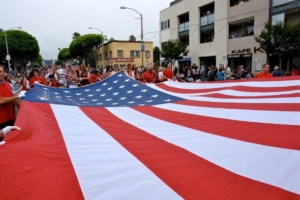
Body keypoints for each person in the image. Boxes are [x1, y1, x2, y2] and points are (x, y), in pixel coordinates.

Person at [0, 65, 25, 132]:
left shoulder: (7, 84)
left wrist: (20, 108)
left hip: (11, 117)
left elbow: (12, 97)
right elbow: (1, 101)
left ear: (5, 73)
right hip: (1, 120)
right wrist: (17, 96)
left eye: (0, 72)